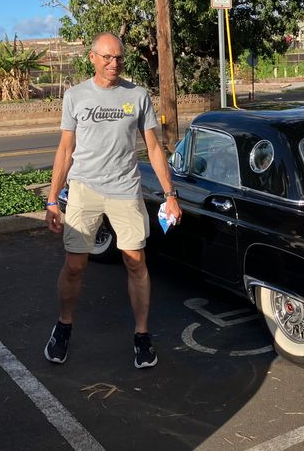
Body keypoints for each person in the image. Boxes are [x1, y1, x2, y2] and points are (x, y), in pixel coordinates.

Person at [43, 32, 182, 369]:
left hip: (125, 189)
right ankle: (63, 326)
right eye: (106, 57)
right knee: (75, 265)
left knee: (136, 261)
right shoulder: (75, 96)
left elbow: (152, 147)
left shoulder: (136, 95)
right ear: (92, 58)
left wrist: (170, 194)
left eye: (118, 57)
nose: (113, 63)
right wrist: (52, 200)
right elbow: (65, 150)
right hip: (84, 190)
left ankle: (142, 335)